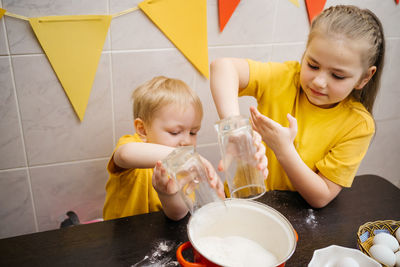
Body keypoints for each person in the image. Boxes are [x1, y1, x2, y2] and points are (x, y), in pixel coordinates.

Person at [209, 5, 385, 208]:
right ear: (305, 53)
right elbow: (222, 67)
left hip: (295, 215)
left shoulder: (358, 125)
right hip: (239, 203)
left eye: (337, 75)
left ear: (364, 78)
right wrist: (234, 130)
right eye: (312, 65)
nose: (319, 81)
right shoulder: (284, 78)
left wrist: (283, 149)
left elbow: (321, 196)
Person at [103, 76, 268, 221]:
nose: (186, 141)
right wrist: (183, 155)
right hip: (117, 237)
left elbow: (177, 215)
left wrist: (167, 194)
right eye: (175, 132)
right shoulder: (133, 145)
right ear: (142, 129)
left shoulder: (183, 167)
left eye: (193, 132)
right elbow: (124, 155)